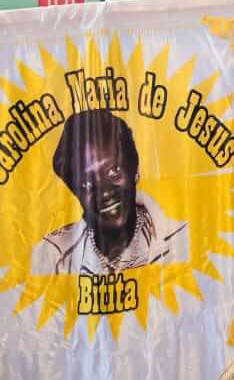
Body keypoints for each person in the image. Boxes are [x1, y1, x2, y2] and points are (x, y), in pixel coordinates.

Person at [32, 109, 188, 277]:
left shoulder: (182, 241)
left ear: (134, 169)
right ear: (76, 193)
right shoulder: (53, 255)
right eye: (87, 183)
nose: (105, 193)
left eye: (114, 170)